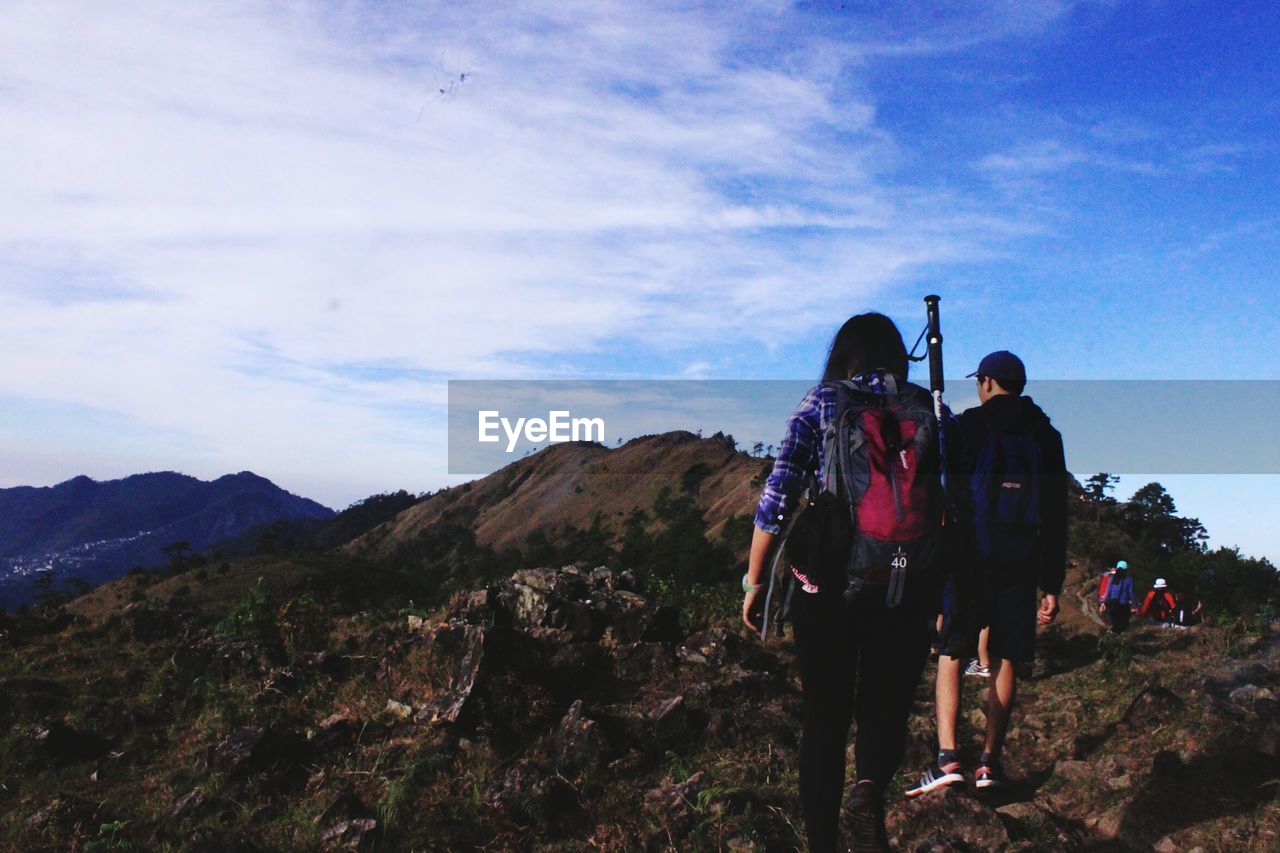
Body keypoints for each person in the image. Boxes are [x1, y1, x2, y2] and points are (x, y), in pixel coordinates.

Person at [743, 312, 945, 852]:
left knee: (825, 717)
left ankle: (822, 845)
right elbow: (949, 502)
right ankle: (868, 791)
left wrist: (755, 579)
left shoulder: (824, 400)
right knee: (886, 705)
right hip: (905, 580)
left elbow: (778, 495)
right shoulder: (927, 406)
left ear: (845, 354)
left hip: (828, 583)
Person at [906, 350, 1066, 797]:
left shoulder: (968, 427)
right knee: (1005, 656)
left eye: (980, 380)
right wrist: (1051, 583)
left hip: (969, 556)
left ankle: (948, 758)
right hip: (1023, 560)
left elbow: (942, 492)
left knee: (952, 651)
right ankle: (990, 764)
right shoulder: (1046, 436)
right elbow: (1056, 514)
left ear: (989, 381)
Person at [1102, 560, 1138, 632]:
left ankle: (1113, 639)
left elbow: (1108, 591)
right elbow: (1131, 593)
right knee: (1123, 624)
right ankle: (1120, 639)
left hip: (1112, 604)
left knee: (1115, 624)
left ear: (1117, 568)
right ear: (1126, 569)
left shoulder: (1112, 578)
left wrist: (1104, 602)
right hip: (1123, 605)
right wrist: (1134, 605)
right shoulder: (1129, 579)